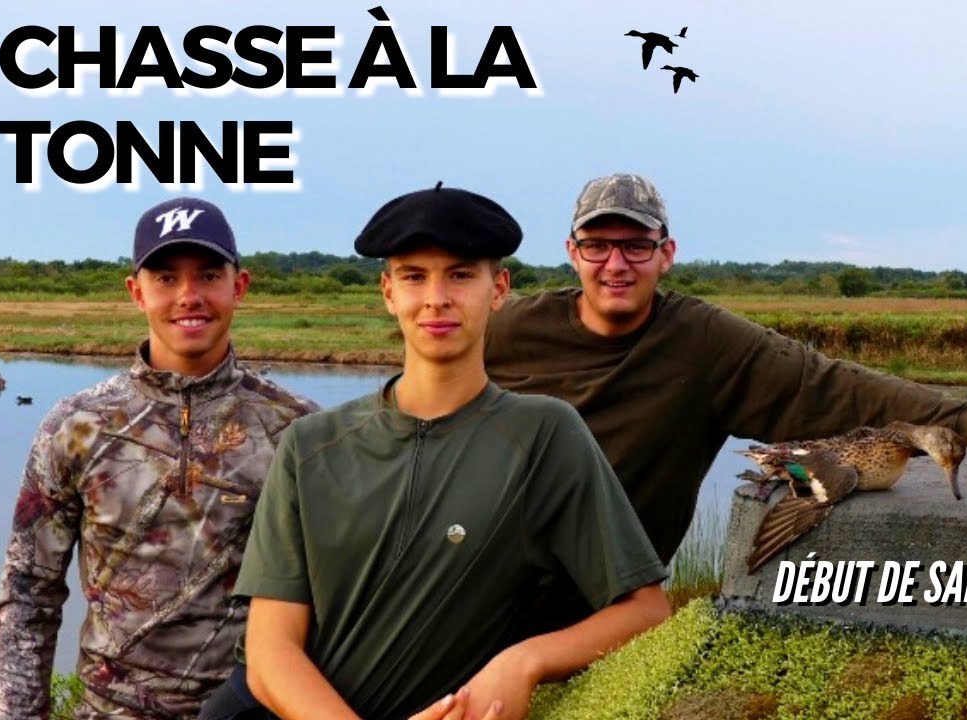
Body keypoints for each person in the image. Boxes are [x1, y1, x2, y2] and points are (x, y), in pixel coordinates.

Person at [484, 173, 967, 629]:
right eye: (597, 246)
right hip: (479, 587)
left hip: (604, 609)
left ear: (667, 253)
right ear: (571, 250)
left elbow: (832, 386)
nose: (616, 264)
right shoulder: (506, 330)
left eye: (636, 246)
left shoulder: (702, 342)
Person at [229, 185, 670, 720]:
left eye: (461, 274)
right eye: (415, 276)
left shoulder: (542, 435)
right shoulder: (312, 445)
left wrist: (526, 661)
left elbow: (645, 609)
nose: (436, 297)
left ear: (499, 288)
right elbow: (270, 651)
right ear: (388, 292)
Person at [0, 198, 319, 719]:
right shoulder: (77, 426)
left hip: (252, 710)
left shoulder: (299, 430)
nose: (189, 296)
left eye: (208, 275)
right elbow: (29, 594)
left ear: (239, 286)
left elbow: (330, 600)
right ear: (136, 292)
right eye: (166, 278)